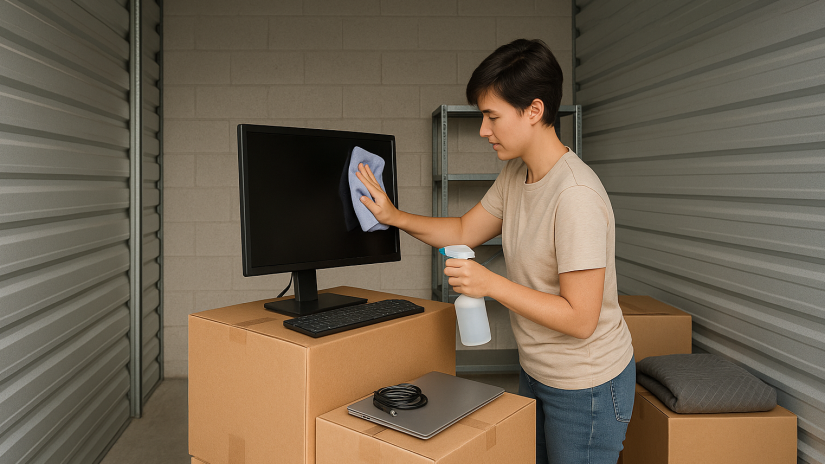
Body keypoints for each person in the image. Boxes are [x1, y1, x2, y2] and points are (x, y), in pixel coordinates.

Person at [356, 38, 635, 464]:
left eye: (492, 116)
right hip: (539, 371)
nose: (484, 130)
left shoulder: (575, 196)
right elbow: (465, 229)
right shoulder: (516, 173)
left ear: (534, 111)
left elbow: (581, 319)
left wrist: (491, 284)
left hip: (587, 386)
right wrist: (394, 216)